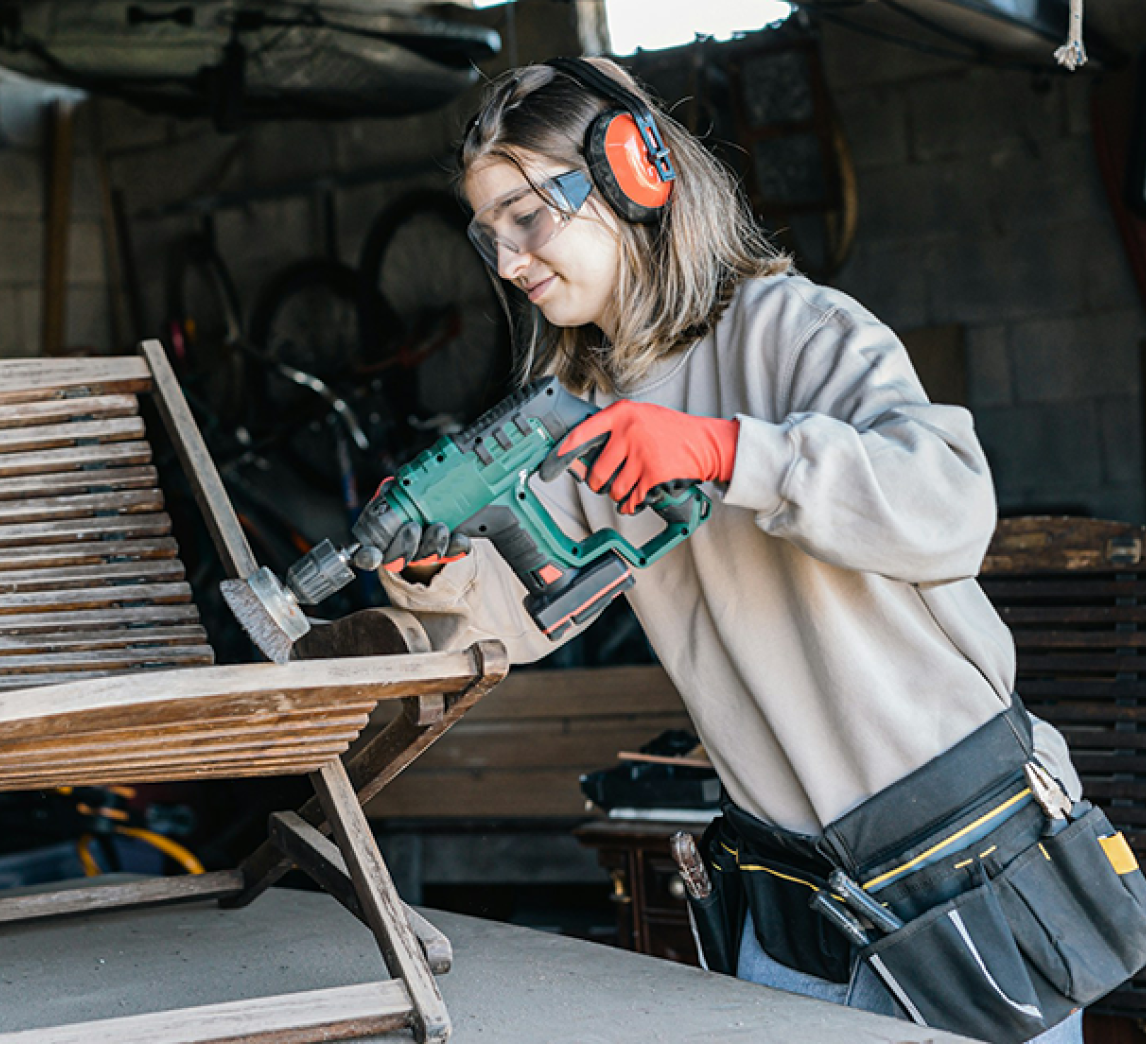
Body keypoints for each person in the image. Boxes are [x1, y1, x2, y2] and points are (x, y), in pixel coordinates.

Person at [354, 56, 1146, 1044]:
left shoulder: (791, 328)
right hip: (791, 906)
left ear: (631, 172)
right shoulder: (584, 417)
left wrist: (731, 454)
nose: (509, 260)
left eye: (528, 214)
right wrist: (434, 576)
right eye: (489, 232)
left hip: (961, 875)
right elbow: (524, 608)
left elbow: (949, 506)